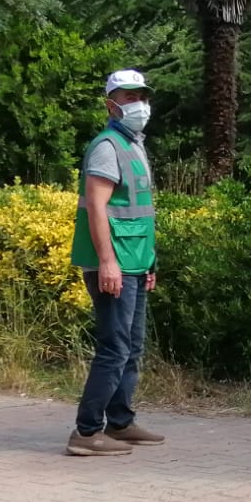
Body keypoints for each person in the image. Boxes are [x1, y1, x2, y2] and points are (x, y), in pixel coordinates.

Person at [66, 69, 167, 456]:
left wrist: (149, 263)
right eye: (128, 97)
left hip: (136, 262)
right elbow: (97, 206)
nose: (138, 104)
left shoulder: (134, 145)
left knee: (132, 346)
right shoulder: (107, 145)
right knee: (114, 347)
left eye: (141, 96)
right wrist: (107, 261)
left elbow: (138, 211)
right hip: (113, 263)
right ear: (111, 105)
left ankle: (120, 422)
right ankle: (86, 432)